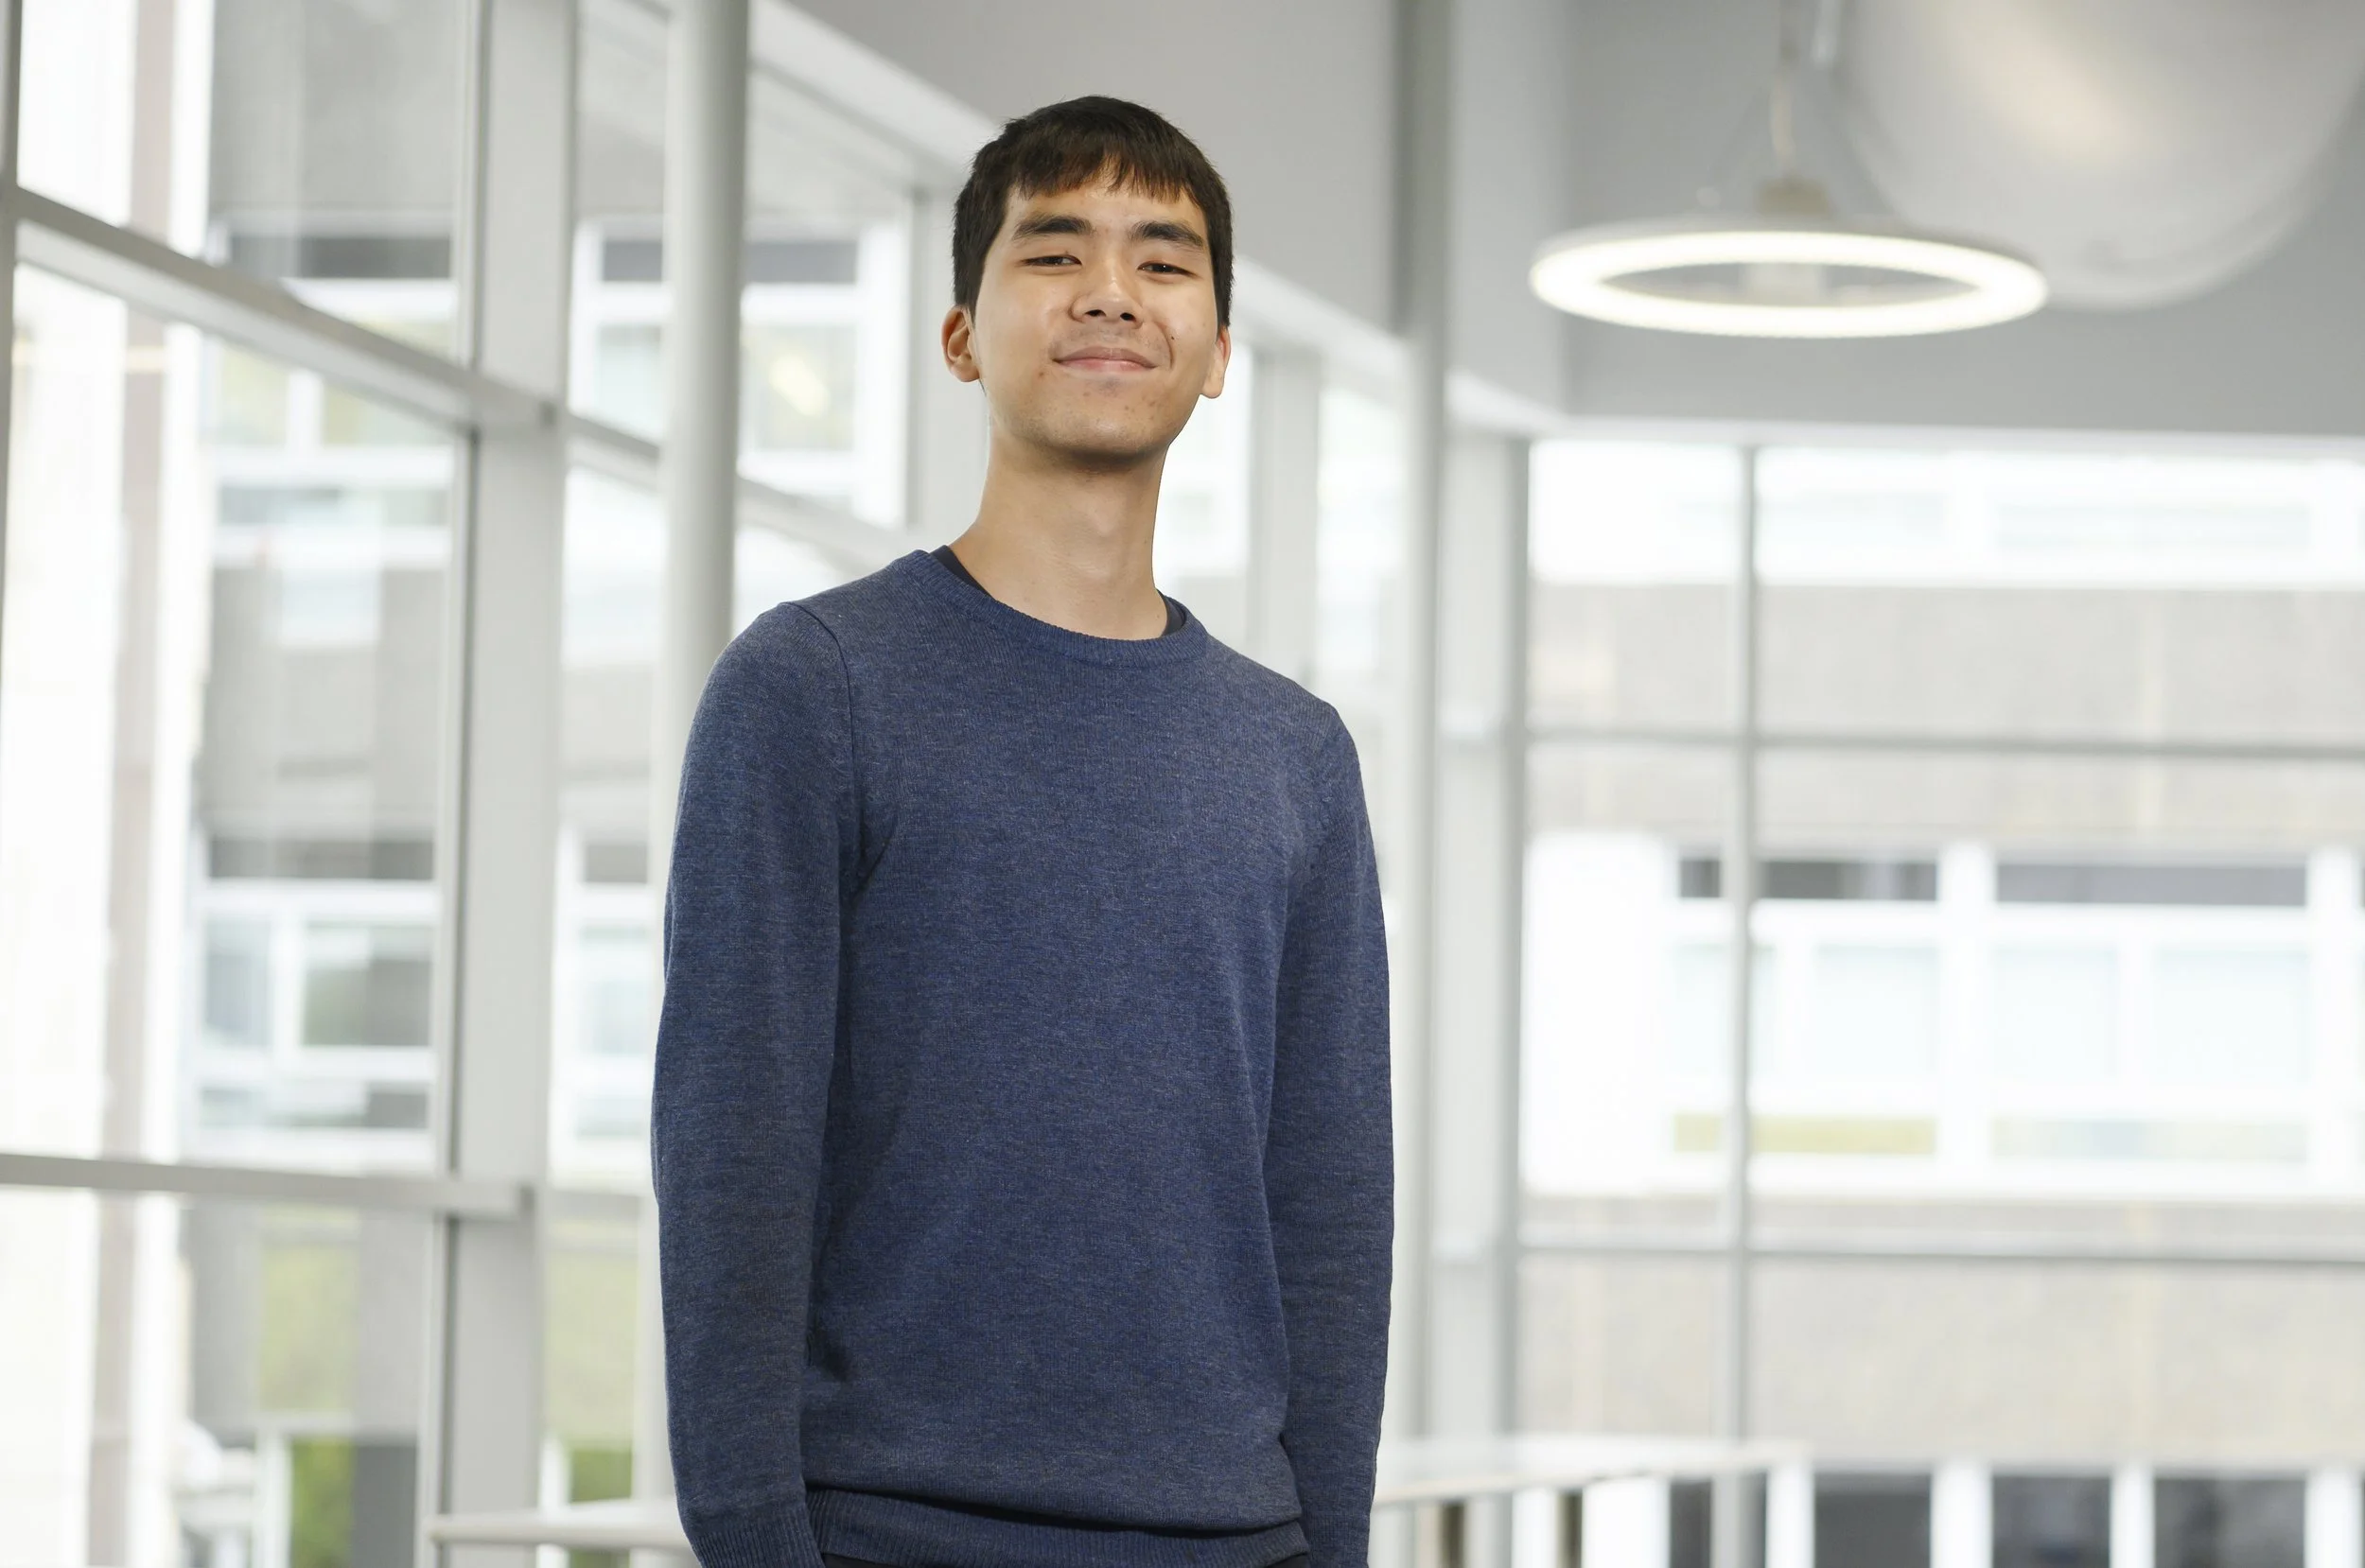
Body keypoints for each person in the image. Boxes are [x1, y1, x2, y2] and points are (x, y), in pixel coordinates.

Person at [650, 96, 1393, 1568]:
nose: (1112, 290)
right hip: (893, 1535)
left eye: (1165, 261)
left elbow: (1329, 1207)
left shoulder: (1298, 758)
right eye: (1056, 251)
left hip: (1234, 1540)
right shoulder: (812, 692)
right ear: (961, 333)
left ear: (1222, 353)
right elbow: (733, 1174)